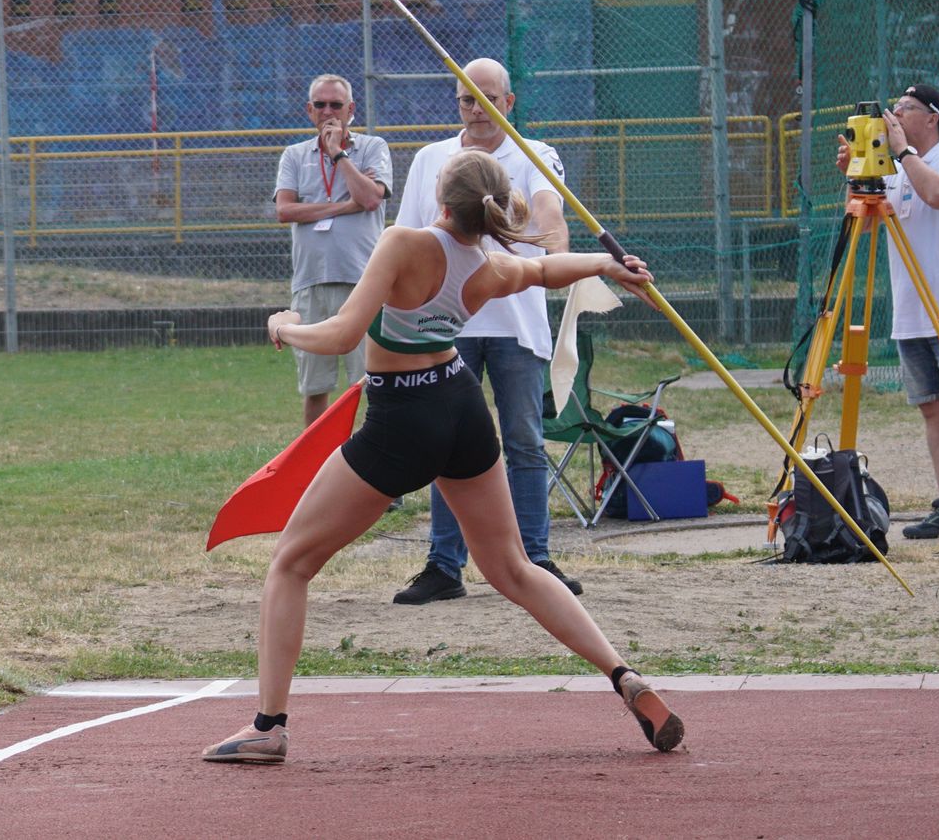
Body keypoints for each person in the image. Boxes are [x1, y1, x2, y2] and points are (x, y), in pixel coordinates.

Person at [202, 150, 681, 765]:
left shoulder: (403, 243)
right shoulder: (490, 265)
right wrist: (608, 264)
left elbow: (342, 335)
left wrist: (284, 327)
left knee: (291, 563)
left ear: (439, 198)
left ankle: (268, 727)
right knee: (513, 569)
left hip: (402, 420)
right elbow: (545, 270)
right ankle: (623, 675)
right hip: (461, 407)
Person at [390, 57, 580, 604]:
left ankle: (535, 559)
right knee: (443, 442)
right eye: (467, 99)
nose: (477, 110)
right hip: (448, 322)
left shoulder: (536, 155)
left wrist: (555, 257)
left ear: (509, 102)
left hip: (516, 323)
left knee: (524, 440)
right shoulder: (431, 160)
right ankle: (443, 565)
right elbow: (406, 238)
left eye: (488, 99)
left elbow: (549, 214)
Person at [836, 84, 939, 542]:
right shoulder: (892, 170)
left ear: (932, 118)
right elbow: (864, 223)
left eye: (906, 109)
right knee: (931, 408)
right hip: (911, 309)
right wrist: (857, 174)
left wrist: (903, 153)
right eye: (896, 108)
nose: (896, 115)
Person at [274, 73, 393, 426]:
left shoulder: (372, 148)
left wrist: (338, 153)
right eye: (320, 105)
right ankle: (316, 458)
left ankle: (371, 452)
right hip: (311, 282)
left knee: (371, 381)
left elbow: (370, 198)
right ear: (309, 110)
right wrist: (342, 206)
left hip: (363, 282)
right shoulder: (295, 155)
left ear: (351, 109)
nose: (328, 112)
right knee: (315, 387)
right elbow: (285, 210)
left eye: (336, 105)